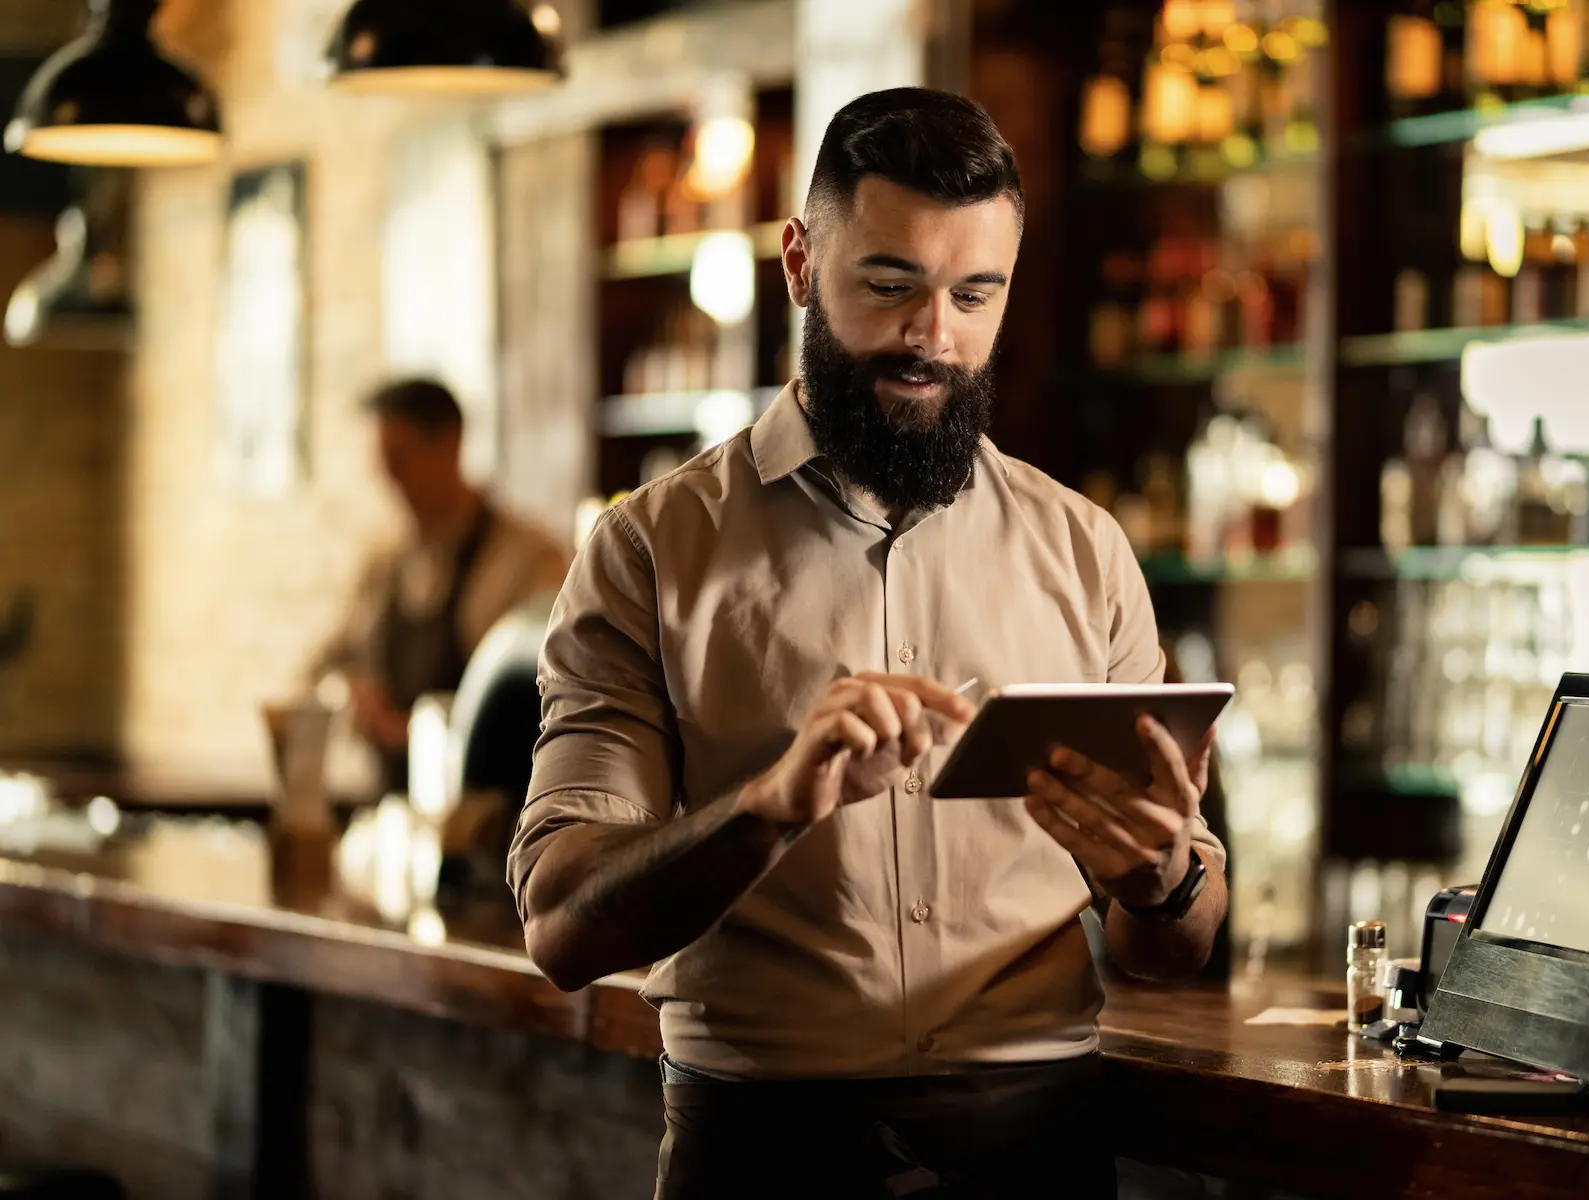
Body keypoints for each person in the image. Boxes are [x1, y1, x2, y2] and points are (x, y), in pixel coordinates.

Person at [509, 89, 1228, 1200]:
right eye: (890, 286)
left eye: (974, 295)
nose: (932, 338)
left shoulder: (1086, 553)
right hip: (761, 1150)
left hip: (1037, 1147)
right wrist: (770, 808)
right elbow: (560, 924)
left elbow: (1171, 952)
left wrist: (1162, 873)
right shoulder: (647, 551)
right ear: (799, 262)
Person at [311, 379, 570, 795]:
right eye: (382, 464)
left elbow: (550, 695)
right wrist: (349, 697)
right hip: (394, 809)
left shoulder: (528, 557)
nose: (389, 479)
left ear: (450, 444)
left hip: (493, 816)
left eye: (400, 460)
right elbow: (324, 666)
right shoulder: (383, 558)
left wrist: (424, 734)